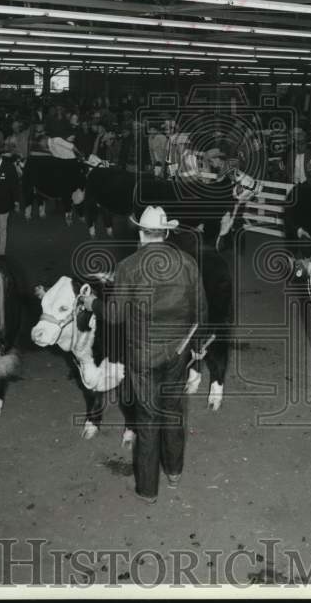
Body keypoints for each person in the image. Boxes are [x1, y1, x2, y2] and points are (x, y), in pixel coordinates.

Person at [110, 207, 207, 503]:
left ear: (141, 233)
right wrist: (196, 352)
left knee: (148, 417)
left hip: (143, 356)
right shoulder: (187, 262)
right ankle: (174, 471)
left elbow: (114, 315)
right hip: (178, 352)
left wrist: (91, 303)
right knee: (174, 410)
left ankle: (148, 490)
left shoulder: (128, 266)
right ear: (165, 233)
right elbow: (201, 311)